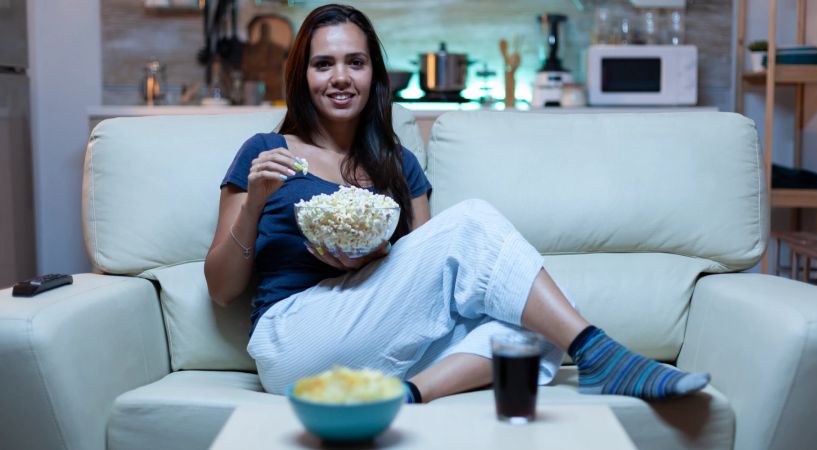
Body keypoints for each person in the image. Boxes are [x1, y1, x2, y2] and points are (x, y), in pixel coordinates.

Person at [204, 3, 710, 403]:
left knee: (546, 311)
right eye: (323, 64)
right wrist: (254, 207)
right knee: (472, 223)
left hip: (386, 347)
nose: (340, 77)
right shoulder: (266, 154)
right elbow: (222, 289)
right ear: (303, 76)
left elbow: (420, 270)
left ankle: (410, 394)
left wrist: (373, 255)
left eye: (355, 62)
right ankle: (601, 354)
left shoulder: (399, 165)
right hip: (296, 341)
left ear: (373, 74)